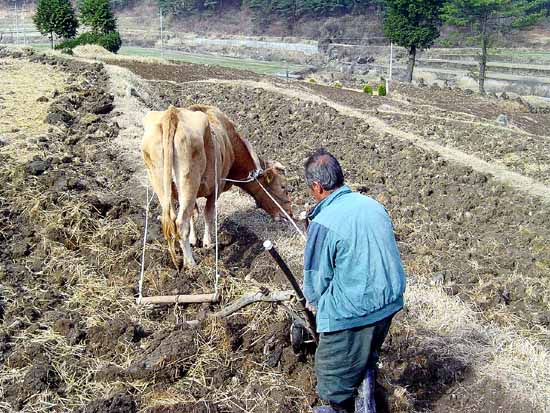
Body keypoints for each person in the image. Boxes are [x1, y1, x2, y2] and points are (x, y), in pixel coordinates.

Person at [302, 148, 407, 413]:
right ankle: (366, 395)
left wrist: (315, 305)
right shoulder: (373, 205)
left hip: (356, 311)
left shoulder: (324, 221)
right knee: (365, 356)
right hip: (390, 300)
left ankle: (341, 408)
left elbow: (315, 281)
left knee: (332, 378)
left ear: (317, 186)